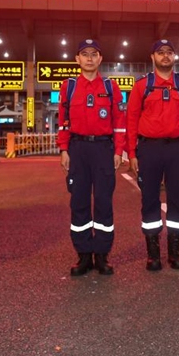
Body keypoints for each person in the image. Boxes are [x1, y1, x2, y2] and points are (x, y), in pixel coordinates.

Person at [126, 39, 179, 271]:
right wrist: (132, 153)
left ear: (174, 57)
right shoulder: (142, 86)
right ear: (153, 57)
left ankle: (175, 253)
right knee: (149, 199)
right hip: (149, 149)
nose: (165, 56)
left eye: (169, 52)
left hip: (178, 149)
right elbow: (131, 120)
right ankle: (153, 254)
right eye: (160, 52)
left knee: (178, 199)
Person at [57, 39, 126, 276]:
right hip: (78, 149)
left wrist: (118, 151)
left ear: (100, 59)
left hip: (103, 150)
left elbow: (119, 122)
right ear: (77, 59)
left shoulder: (110, 87)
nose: (89, 58)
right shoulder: (69, 86)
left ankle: (102, 255)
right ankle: (84, 255)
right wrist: (64, 150)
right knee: (79, 203)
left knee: (104, 203)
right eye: (84, 54)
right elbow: (63, 121)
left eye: (93, 54)